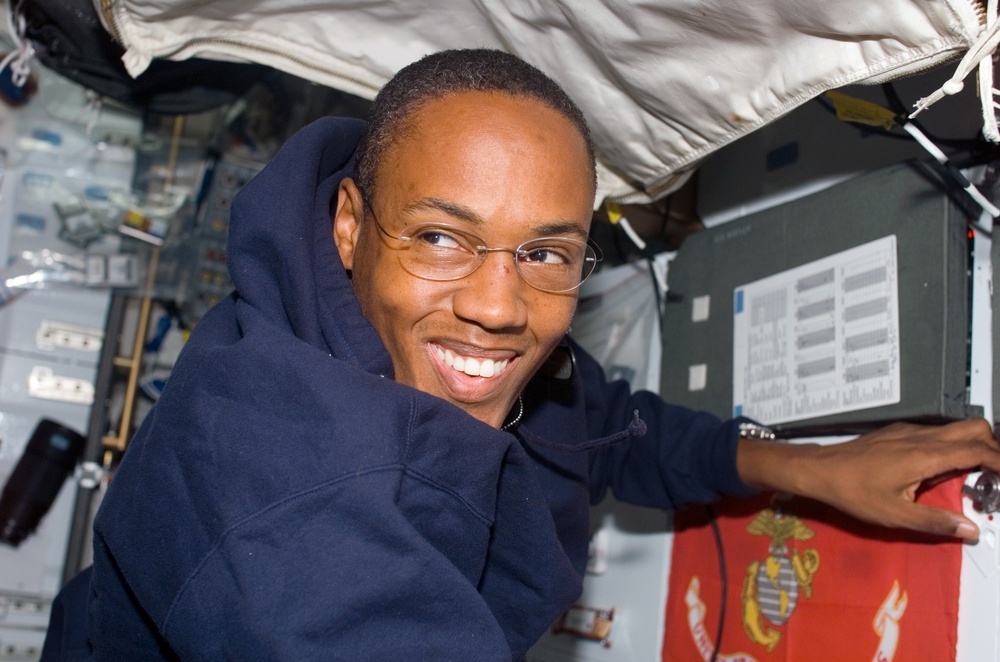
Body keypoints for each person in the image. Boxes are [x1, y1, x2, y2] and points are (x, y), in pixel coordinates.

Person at [81, 48, 1000, 660]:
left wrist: (806, 466)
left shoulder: (461, 344)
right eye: (442, 237)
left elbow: (604, 427)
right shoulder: (290, 512)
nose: (496, 308)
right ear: (350, 227)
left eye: (544, 252)